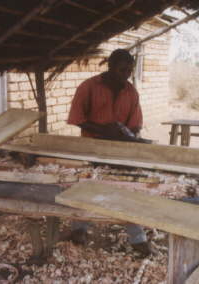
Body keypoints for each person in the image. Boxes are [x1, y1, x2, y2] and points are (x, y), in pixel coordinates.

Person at [67, 49, 156, 256]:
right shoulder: (89, 86)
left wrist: (129, 135)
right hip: (92, 148)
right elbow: (77, 118)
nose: (126, 74)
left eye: (129, 70)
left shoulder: (131, 92)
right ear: (110, 66)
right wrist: (104, 130)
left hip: (120, 150)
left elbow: (135, 125)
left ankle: (137, 238)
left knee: (124, 190)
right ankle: (79, 229)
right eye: (122, 69)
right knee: (87, 188)